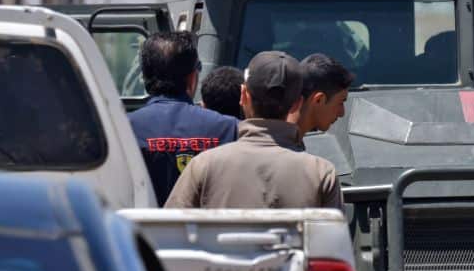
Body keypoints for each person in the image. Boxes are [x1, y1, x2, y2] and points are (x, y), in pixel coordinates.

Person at [164, 51, 343, 210]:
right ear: (298, 103)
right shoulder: (321, 173)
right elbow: (332, 244)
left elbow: (169, 235)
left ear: (243, 96)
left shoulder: (203, 165)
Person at [128, 32, 238, 206]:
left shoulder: (123, 129)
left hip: (142, 232)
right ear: (192, 77)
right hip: (210, 232)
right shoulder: (228, 129)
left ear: (145, 76)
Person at [298, 53, 354, 132]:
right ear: (319, 100)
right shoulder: (285, 142)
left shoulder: (284, 136)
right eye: (340, 103)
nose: (342, 113)